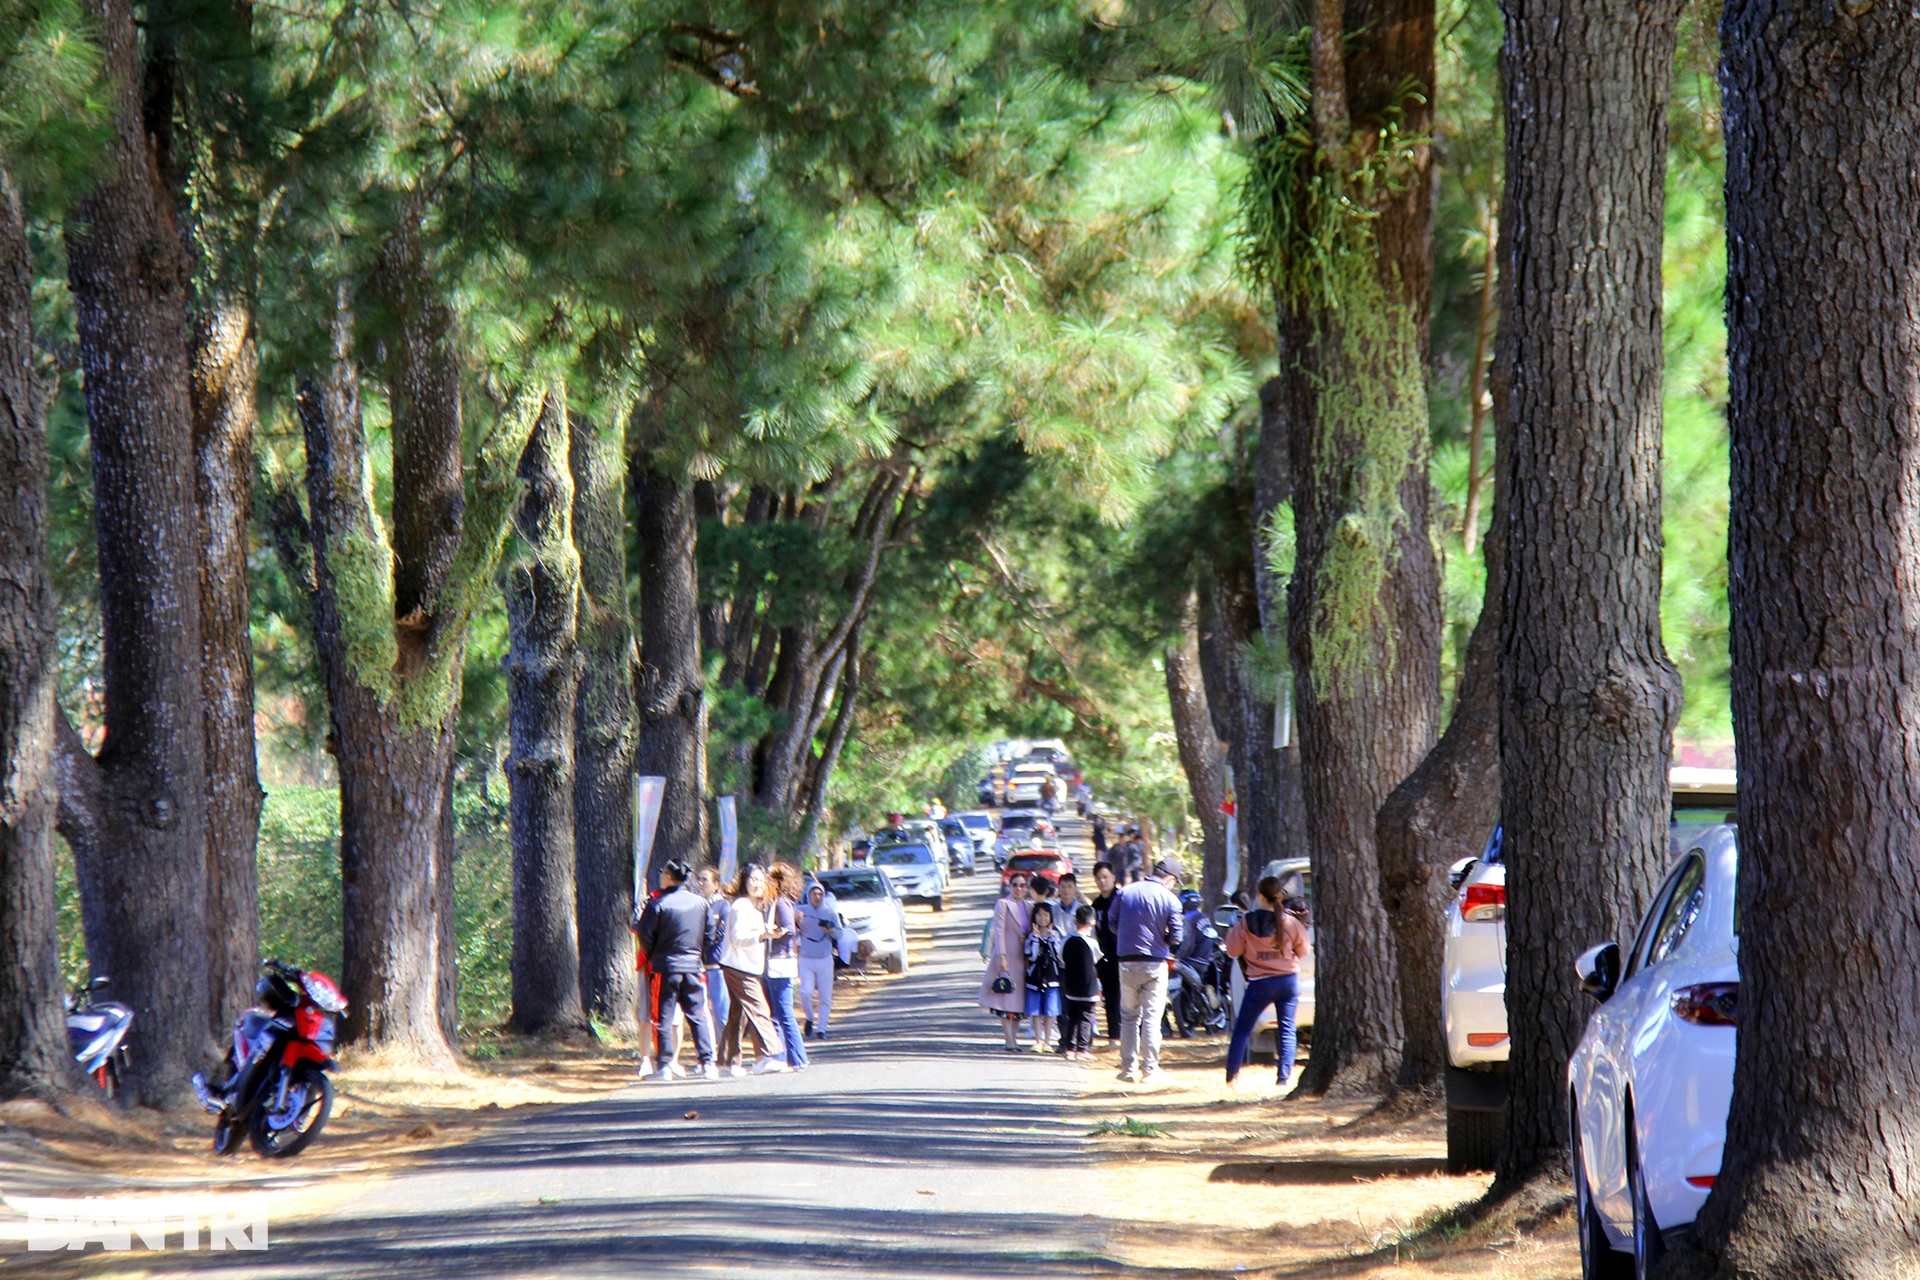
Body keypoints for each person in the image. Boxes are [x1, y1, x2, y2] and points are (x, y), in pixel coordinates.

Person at [1224, 875, 1313, 1088]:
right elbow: (1304, 950)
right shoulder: (1291, 922)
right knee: (1287, 1028)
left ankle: (1232, 1076)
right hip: (1288, 981)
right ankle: (1283, 1079)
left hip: (1260, 983)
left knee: (1243, 1029)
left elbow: (1232, 950)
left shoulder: (1245, 922)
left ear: (1259, 896)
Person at [634, 859, 719, 1081]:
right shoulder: (701, 903)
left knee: (662, 1016)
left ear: (669, 877)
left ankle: (664, 1066)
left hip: (665, 968)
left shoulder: (657, 904)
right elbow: (710, 934)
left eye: (663, 872)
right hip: (693, 966)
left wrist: (655, 955)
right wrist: (697, 953)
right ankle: (707, 1062)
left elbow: (645, 936)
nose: (661, 876)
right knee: (697, 1014)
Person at [1108, 857, 1186, 1083]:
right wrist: (1163, 939)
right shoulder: (1170, 899)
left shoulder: (1125, 892)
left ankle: (1127, 1069)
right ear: (1170, 879)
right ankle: (1150, 1069)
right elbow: (1177, 937)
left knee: (1129, 1016)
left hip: (1126, 961)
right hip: (1155, 962)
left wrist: (1127, 936)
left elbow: (1112, 922)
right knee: (1152, 1018)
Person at [717, 866, 788, 1075]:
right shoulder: (741, 906)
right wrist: (762, 935)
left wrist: (767, 934)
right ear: (744, 882)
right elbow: (738, 939)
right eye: (752, 879)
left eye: (760, 880)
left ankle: (727, 1063)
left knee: (738, 1015)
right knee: (759, 1009)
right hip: (738, 967)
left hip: (746, 966)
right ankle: (766, 1056)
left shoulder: (753, 907)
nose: (757, 884)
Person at [978, 873, 1032, 1050]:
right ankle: (1009, 1039)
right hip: (1007, 956)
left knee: (1018, 1001)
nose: (1019, 888)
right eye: (1015, 885)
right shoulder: (1003, 904)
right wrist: (1001, 955)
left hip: (1022, 957)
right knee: (1004, 998)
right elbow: (999, 930)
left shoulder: (1029, 907)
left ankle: (1014, 1038)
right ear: (1010, 886)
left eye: (1023, 885)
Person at [764, 862, 809, 1070]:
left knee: (783, 1013)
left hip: (778, 961)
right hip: (783, 961)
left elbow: (789, 929)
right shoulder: (785, 902)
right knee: (779, 1013)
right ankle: (784, 1057)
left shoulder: (780, 902)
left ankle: (796, 1058)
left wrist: (774, 932)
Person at [1059, 903, 1101, 1060]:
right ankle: (1083, 1049)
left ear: (1075, 921)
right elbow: (1096, 959)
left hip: (1070, 985)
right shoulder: (1092, 943)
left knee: (1072, 1016)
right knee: (1086, 1016)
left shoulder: (1066, 940)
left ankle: (1070, 1048)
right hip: (1088, 986)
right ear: (1092, 922)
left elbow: (1061, 958)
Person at [797, 882, 839, 1039]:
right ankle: (809, 1016)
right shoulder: (801, 912)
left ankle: (822, 1028)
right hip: (806, 957)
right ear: (808, 895)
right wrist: (796, 920)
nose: (817, 897)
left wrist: (831, 930)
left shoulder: (830, 913)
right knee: (805, 992)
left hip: (825, 958)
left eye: (820, 894)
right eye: (814, 894)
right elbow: (792, 930)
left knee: (825, 996)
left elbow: (839, 935)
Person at [696, 867, 731, 1037]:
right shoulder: (699, 904)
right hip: (700, 966)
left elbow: (720, 934)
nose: (701, 883)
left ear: (716, 884)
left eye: (705, 880)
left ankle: (725, 1047)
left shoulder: (723, 906)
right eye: (699, 879)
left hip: (718, 966)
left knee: (721, 1010)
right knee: (702, 1012)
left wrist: (701, 942)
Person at [1023, 903, 1063, 1051]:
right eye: (1039, 915)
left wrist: (1051, 939)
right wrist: (1035, 938)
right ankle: (1038, 1040)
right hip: (1035, 977)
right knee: (1035, 1011)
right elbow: (1031, 956)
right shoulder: (1031, 935)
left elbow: (1057, 955)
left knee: (1050, 1011)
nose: (1042, 918)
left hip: (1052, 977)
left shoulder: (1055, 934)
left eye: (1046, 915)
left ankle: (1047, 1042)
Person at [1090, 861, 1121, 1041]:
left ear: (1113, 878)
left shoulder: (1122, 899)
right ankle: (1114, 1038)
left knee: (1129, 1000)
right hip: (1104, 960)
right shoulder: (1097, 904)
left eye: (1105, 877)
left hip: (1124, 957)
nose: (1102, 881)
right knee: (1110, 999)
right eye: (1099, 878)